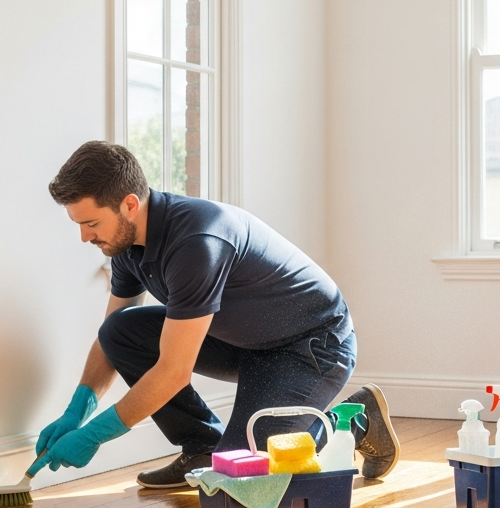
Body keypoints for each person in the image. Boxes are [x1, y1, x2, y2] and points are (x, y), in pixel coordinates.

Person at [28, 141, 399, 487]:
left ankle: (355, 420)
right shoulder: (125, 245)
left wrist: (96, 434)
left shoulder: (196, 242)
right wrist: (78, 409)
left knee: (243, 479)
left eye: (91, 224)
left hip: (311, 346)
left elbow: (173, 371)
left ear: (129, 205)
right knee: (119, 330)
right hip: (245, 341)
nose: (84, 237)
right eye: (78, 224)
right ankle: (201, 446)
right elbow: (110, 339)